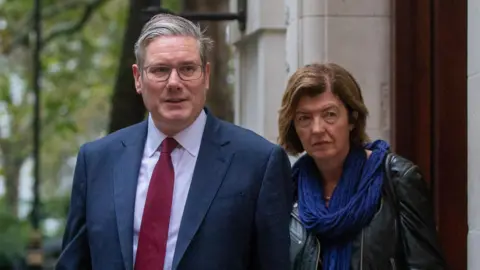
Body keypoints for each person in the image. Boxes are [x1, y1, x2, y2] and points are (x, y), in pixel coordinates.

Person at [57, 14, 292, 270]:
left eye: (187, 69)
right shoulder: (97, 161)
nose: (174, 83)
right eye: (160, 70)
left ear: (207, 75)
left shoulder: (258, 163)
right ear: (138, 78)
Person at [279, 63, 446, 269]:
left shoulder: (396, 179)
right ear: (294, 127)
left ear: (352, 118)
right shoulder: (287, 190)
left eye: (329, 114)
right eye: (304, 118)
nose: (317, 129)